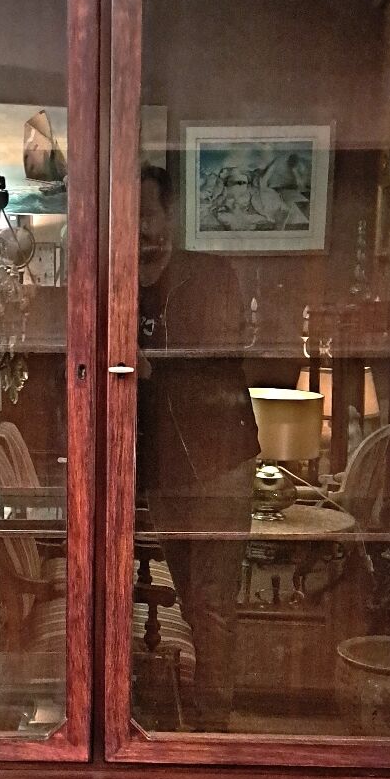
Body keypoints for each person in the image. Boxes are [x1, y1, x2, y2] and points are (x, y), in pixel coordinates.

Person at [136, 164, 258, 730]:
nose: (142, 233)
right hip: (160, 471)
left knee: (212, 602)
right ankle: (201, 714)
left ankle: (215, 727)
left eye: (151, 217)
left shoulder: (213, 276)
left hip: (217, 463)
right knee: (187, 596)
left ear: (171, 220)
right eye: (131, 221)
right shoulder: (118, 288)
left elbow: (218, 356)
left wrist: (149, 367)